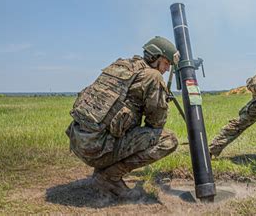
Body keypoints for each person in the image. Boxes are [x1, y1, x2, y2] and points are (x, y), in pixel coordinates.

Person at [66, 36, 180, 200]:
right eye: (167, 63)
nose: (167, 69)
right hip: (97, 149)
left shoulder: (122, 66)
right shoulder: (152, 76)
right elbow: (155, 124)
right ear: (156, 57)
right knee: (168, 140)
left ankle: (103, 172)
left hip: (79, 141)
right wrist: (161, 99)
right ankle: (108, 178)